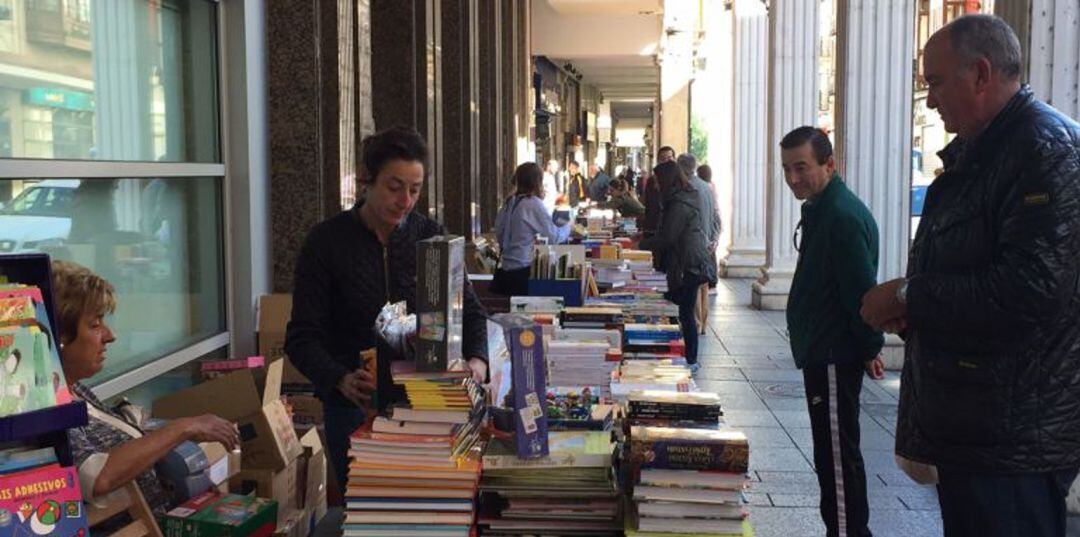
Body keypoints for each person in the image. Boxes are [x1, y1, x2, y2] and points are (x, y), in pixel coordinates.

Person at [860, 15, 1080, 537]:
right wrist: (915, 316)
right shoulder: (991, 149)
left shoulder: (1044, 151)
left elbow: (1029, 290)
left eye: (935, 81)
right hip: (981, 426)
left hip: (1013, 437)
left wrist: (911, 295)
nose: (930, 100)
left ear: (981, 74)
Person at [285, 126, 490, 495]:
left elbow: (471, 312)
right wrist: (338, 377)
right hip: (353, 408)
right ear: (367, 180)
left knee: (427, 510)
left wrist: (477, 360)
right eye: (394, 187)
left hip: (429, 405)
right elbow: (301, 337)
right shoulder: (327, 242)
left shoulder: (430, 237)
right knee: (369, 510)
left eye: (415, 189)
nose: (405, 201)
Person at [55, 261, 238, 521]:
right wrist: (182, 428)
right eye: (95, 325)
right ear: (59, 336)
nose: (110, 335)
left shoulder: (76, 389)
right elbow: (96, 477)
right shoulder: (50, 408)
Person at [780, 127, 885, 537]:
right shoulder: (823, 209)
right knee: (833, 454)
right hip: (824, 348)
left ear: (829, 164)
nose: (792, 178)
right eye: (786, 169)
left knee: (837, 459)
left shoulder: (839, 216)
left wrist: (869, 347)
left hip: (833, 353)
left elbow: (861, 294)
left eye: (801, 167)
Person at [640, 161, 715, 374]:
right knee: (684, 311)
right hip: (688, 261)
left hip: (688, 264)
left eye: (656, 181)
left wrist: (642, 243)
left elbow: (668, 237)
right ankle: (687, 356)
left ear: (666, 180)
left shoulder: (678, 203)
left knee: (685, 313)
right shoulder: (680, 198)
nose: (655, 186)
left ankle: (691, 359)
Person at [492, 162, 572, 296]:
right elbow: (554, 236)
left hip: (506, 268)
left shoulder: (509, 202)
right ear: (537, 181)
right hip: (523, 268)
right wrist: (568, 226)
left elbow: (499, 232)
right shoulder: (532, 203)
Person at [677, 154, 721, 336]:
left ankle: (695, 324)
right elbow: (716, 217)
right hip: (706, 242)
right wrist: (713, 239)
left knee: (694, 284)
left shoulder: (689, 188)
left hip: (694, 243)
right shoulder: (706, 187)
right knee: (702, 285)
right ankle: (703, 322)